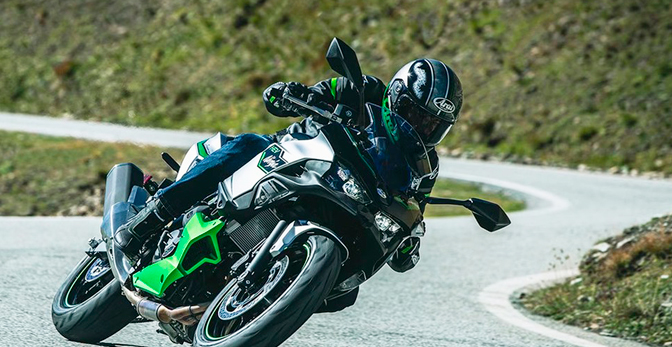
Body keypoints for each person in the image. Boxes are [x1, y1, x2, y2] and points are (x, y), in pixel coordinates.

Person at [114, 58, 463, 274]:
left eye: (433, 125)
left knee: (346, 293)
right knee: (248, 144)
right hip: (293, 156)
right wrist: (293, 94)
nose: (420, 127)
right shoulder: (362, 89)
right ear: (396, 96)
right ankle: (150, 218)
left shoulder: (425, 166)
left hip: (347, 199)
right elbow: (315, 93)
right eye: (415, 114)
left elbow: (413, 209)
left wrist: (408, 241)